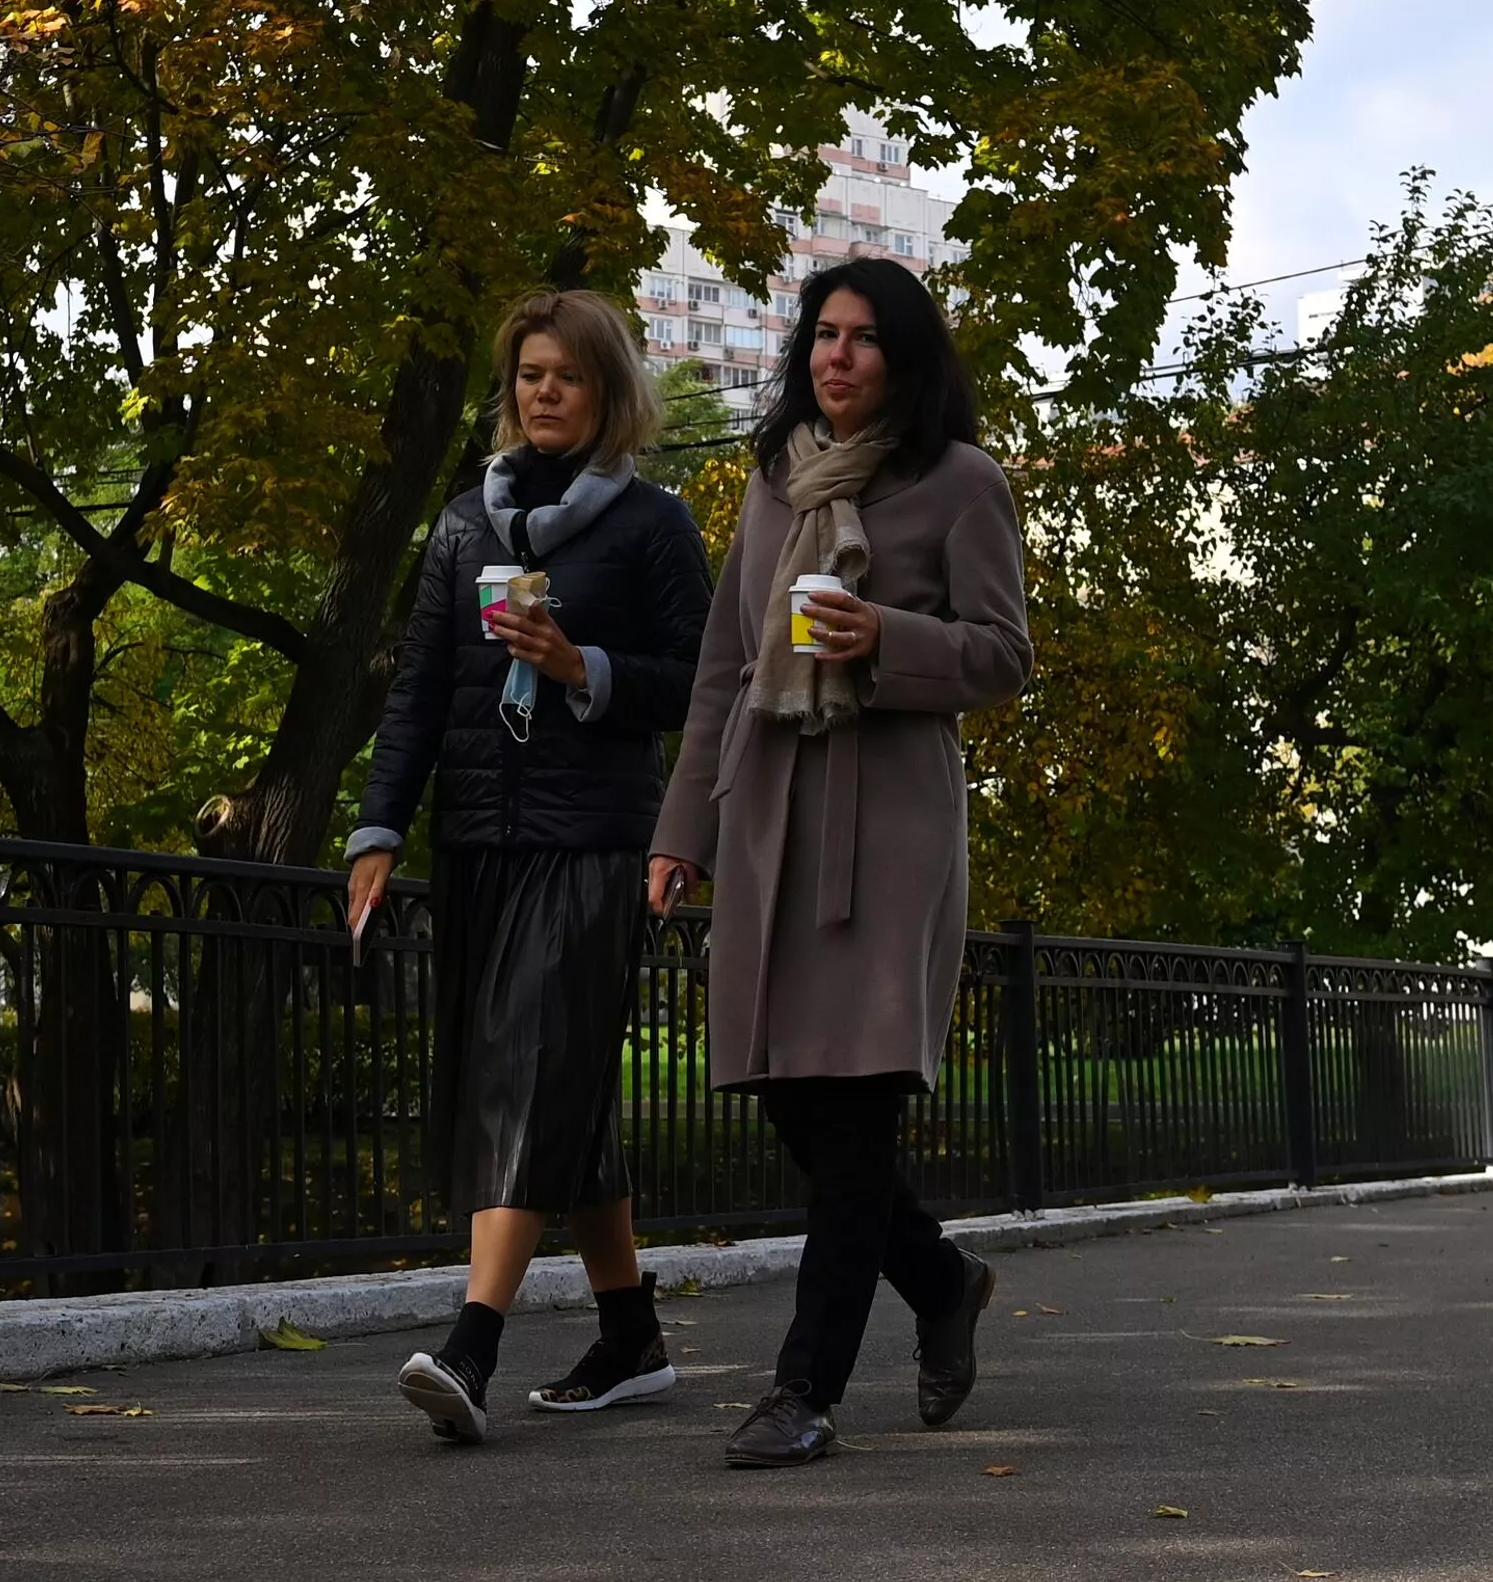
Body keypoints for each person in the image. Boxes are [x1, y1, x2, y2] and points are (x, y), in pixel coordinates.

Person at [650, 256, 1032, 1469]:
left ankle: (802, 1389)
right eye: (823, 333)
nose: (837, 354)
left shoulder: (962, 481)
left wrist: (887, 638)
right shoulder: (773, 481)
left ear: (904, 358)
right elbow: (723, 667)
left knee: (857, 1109)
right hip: (770, 814)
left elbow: (1003, 654)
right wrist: (681, 830)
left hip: (891, 824)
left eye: (864, 337)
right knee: (790, 1098)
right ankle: (942, 1282)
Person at [345, 289, 712, 1446]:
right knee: (563, 1092)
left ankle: (473, 1342)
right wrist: (377, 830)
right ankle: (630, 1332)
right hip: (479, 841)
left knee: (524, 1070)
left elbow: (702, 680)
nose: (544, 392)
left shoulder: (652, 525)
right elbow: (418, 692)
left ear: (609, 391)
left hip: (592, 838)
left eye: (568, 374)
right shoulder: (466, 526)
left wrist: (580, 664)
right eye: (529, 374)